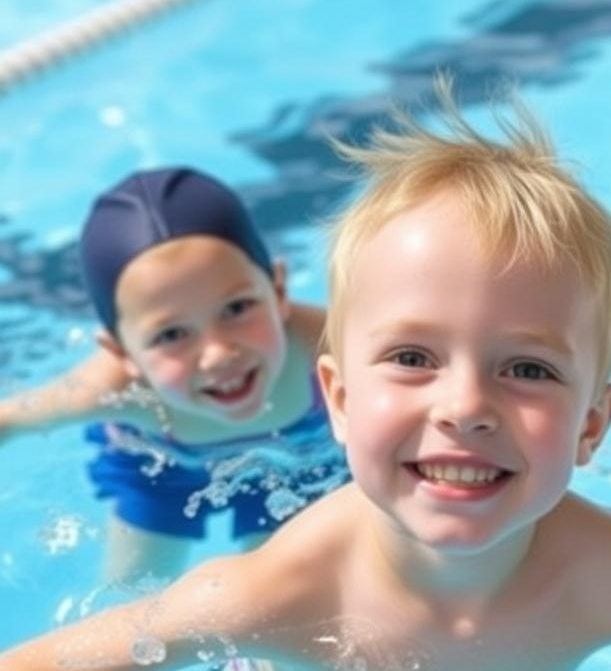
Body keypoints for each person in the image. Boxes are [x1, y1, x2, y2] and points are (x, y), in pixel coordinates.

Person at [0, 86, 611, 671]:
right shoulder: (271, 597)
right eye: (412, 358)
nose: (465, 407)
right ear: (337, 399)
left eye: (527, 369)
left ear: (593, 425)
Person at [0, 167, 350, 584]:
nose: (219, 354)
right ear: (121, 352)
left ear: (278, 291)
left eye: (237, 308)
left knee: (280, 596)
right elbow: (11, 419)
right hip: (161, 473)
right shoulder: (113, 390)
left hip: (299, 461)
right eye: (171, 334)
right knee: (129, 604)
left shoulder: (332, 345)